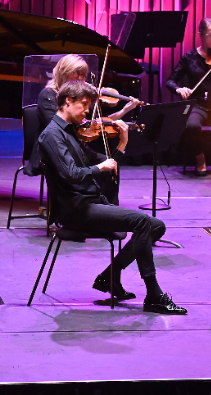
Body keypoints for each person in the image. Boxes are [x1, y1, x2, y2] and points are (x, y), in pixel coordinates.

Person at [36, 80, 186, 314]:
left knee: (156, 225)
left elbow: (104, 164)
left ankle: (110, 275)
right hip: (75, 210)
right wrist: (100, 168)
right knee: (141, 221)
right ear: (68, 101)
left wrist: (122, 144)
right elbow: (72, 175)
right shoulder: (52, 136)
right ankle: (154, 294)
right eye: (84, 105)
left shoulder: (71, 132)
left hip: (90, 202)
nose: (88, 111)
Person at [31, 54, 140, 176]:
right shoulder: (48, 95)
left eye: (83, 75)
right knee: (99, 168)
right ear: (64, 71)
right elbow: (59, 129)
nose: (81, 79)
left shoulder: (77, 98)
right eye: (77, 73)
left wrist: (125, 110)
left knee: (109, 163)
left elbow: (94, 124)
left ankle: (100, 195)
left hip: (74, 146)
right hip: (54, 149)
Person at [165, 17, 211, 175]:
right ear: (200, 34)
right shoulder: (189, 58)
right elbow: (170, 81)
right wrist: (179, 89)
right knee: (191, 126)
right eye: (210, 35)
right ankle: (200, 157)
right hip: (197, 105)